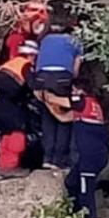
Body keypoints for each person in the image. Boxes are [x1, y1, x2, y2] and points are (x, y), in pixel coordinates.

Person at [0, 40, 39, 177]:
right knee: (19, 127)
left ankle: (3, 166)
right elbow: (33, 85)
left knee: (6, 131)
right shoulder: (25, 65)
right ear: (32, 55)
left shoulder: (9, 64)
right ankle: (10, 166)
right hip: (2, 98)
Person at [33, 20, 84, 169]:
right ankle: (60, 160)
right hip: (61, 79)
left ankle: (47, 158)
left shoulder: (46, 40)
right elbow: (76, 70)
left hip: (41, 79)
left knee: (48, 117)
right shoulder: (76, 41)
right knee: (63, 117)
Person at [66, 78, 109, 218]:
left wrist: (46, 97)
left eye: (72, 90)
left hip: (90, 157)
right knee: (71, 182)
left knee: (87, 192)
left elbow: (66, 103)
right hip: (95, 154)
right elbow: (63, 117)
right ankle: (76, 215)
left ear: (79, 90)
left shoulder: (83, 101)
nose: (71, 93)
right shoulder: (93, 105)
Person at [0, 0, 49, 64]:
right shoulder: (16, 38)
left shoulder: (36, 37)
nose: (39, 25)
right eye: (36, 21)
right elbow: (14, 64)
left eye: (41, 22)